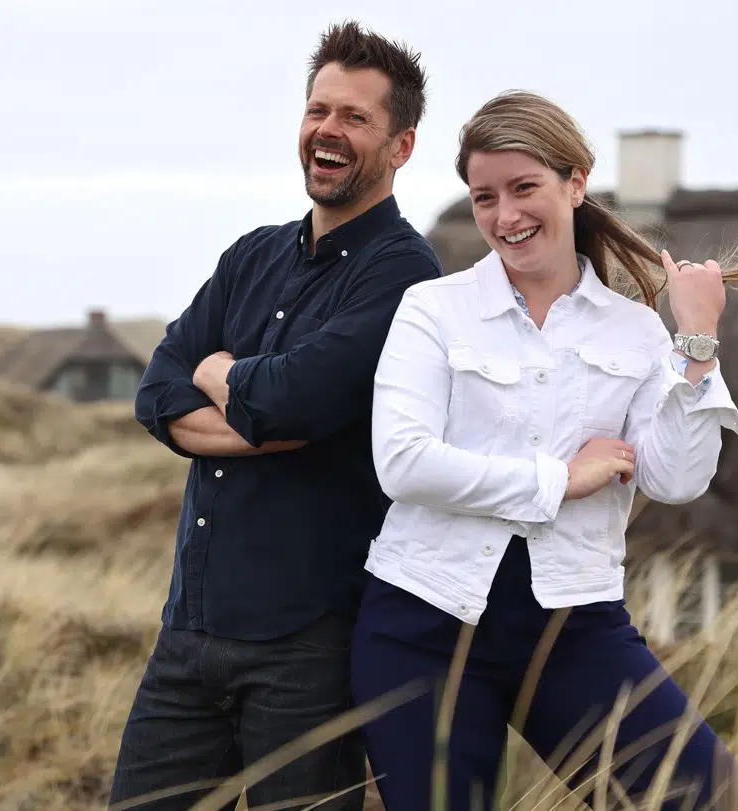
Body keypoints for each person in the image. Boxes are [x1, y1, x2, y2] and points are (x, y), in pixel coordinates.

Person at [350, 90, 738, 811]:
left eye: (524, 188)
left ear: (576, 183)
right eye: (485, 196)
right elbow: (403, 462)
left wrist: (698, 342)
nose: (505, 215)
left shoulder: (635, 331)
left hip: (576, 628)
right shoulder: (433, 310)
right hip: (422, 628)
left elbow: (676, 478)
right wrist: (560, 478)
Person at [107, 21, 443, 811]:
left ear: (401, 146)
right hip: (188, 631)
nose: (328, 130)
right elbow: (158, 391)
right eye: (318, 110)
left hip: (307, 646)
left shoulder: (406, 274)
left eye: (356, 117)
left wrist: (220, 373)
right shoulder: (250, 256)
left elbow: (295, 400)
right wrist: (263, 411)